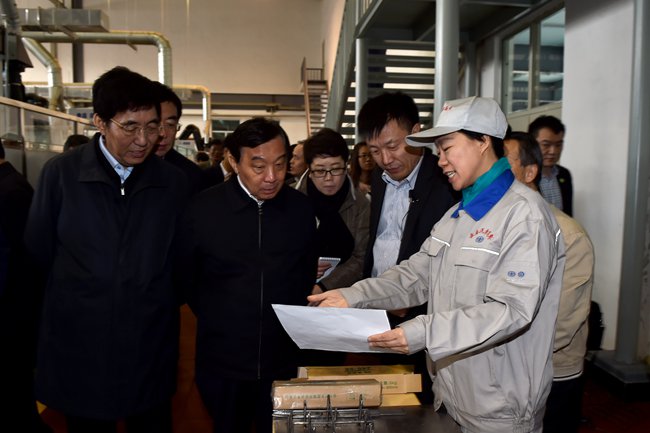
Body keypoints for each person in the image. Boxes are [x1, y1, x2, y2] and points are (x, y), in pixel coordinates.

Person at [309, 96, 565, 433]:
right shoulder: (458, 214)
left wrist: (422, 331)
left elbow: (511, 310)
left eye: (447, 148)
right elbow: (418, 274)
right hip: (454, 393)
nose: (440, 160)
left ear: (482, 141)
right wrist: (353, 295)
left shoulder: (525, 215)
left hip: (500, 405)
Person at [24, 66, 188, 433]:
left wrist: (150, 299)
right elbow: (39, 254)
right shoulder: (62, 175)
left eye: (152, 127)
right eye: (130, 127)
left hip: (148, 344)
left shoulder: (172, 185)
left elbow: (181, 265)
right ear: (100, 122)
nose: (143, 140)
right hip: (81, 345)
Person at [175, 117, 317, 433]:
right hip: (222, 361)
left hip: (282, 358)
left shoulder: (301, 210)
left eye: (280, 165)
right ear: (233, 160)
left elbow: (304, 272)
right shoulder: (203, 210)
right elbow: (187, 277)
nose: (271, 177)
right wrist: (222, 316)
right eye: (258, 166)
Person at [357, 91, 457, 403]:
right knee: (387, 398)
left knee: (423, 401)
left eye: (393, 146)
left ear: (416, 133)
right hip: (379, 312)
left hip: (424, 317)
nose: (385, 159)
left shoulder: (445, 181)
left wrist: (407, 301)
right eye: (375, 151)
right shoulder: (379, 179)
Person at [504, 131, 594, 433]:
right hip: (508, 367)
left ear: (530, 173)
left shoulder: (569, 235)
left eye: (503, 165)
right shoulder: (497, 227)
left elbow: (564, 323)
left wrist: (501, 353)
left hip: (553, 370)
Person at [0, 140, 52, 433]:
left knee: (14, 382)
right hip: (14, 307)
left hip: (13, 310)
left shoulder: (11, 191)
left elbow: (27, 255)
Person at [297, 128, 370, 293]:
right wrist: (302, 265)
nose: (328, 178)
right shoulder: (290, 200)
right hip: (294, 287)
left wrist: (324, 286)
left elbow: (361, 258)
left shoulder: (361, 205)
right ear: (309, 170)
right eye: (320, 170)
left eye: (336, 169)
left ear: (346, 165)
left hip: (344, 293)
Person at [153, 81, 204, 194]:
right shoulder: (120, 168)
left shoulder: (190, 174)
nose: (163, 134)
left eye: (170, 124)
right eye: (154, 123)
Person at [528, 115, 573, 216]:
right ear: (532, 143)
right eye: (546, 145)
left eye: (558, 145)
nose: (553, 151)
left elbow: (568, 214)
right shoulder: (523, 176)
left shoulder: (564, 174)